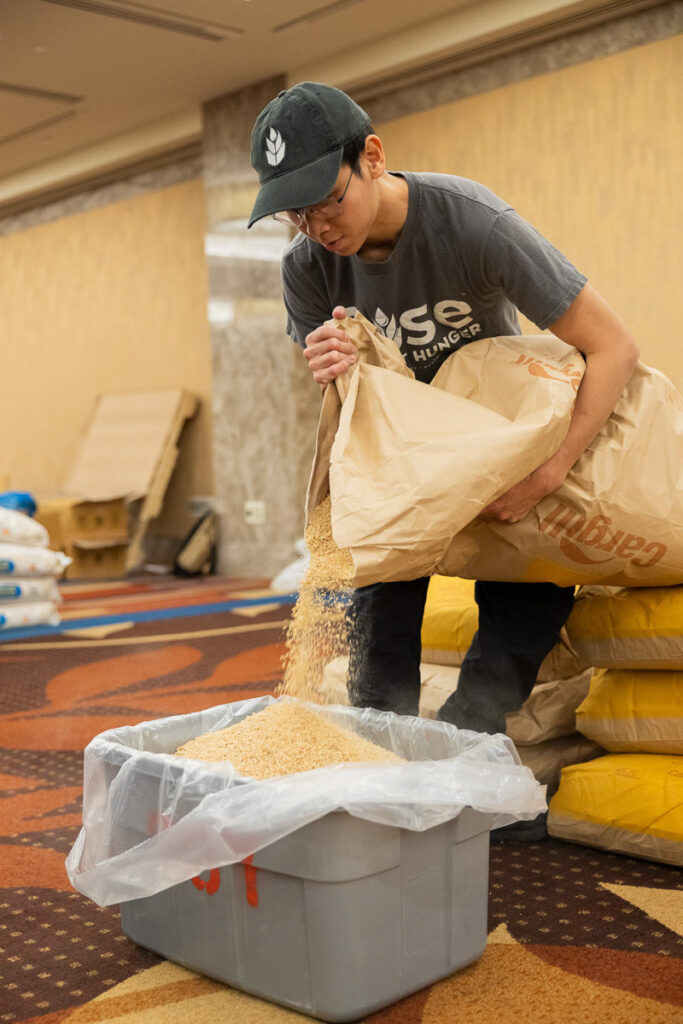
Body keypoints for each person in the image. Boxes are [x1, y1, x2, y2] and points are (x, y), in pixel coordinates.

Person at [247, 82, 639, 765]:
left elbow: (613, 348)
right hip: (403, 461)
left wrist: (548, 472)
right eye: (295, 216)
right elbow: (353, 410)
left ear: (371, 156)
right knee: (377, 639)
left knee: (527, 606)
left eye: (327, 202)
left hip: (495, 443)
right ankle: (388, 771)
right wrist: (333, 365)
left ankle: (464, 751)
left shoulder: (471, 222)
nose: (318, 229)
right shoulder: (306, 268)